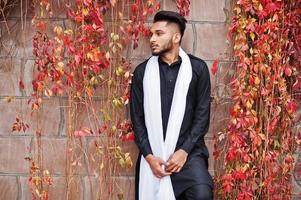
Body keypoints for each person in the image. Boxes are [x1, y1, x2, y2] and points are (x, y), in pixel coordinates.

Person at [130, 10, 213, 200]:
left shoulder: (197, 69)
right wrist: (149, 157)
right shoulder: (142, 73)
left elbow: (202, 117)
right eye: (152, 33)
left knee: (202, 194)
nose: (152, 38)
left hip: (189, 154)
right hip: (154, 157)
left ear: (176, 37)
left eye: (159, 34)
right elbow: (137, 120)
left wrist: (184, 152)